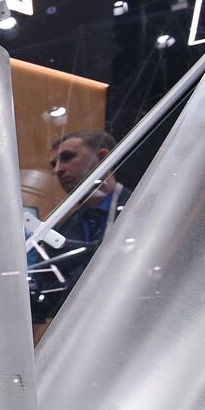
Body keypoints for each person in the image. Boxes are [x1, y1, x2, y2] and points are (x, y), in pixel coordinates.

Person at [28, 129, 132, 323]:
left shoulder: (143, 210)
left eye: (67, 157)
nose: (58, 170)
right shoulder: (58, 232)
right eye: (54, 164)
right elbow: (44, 296)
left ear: (103, 157)